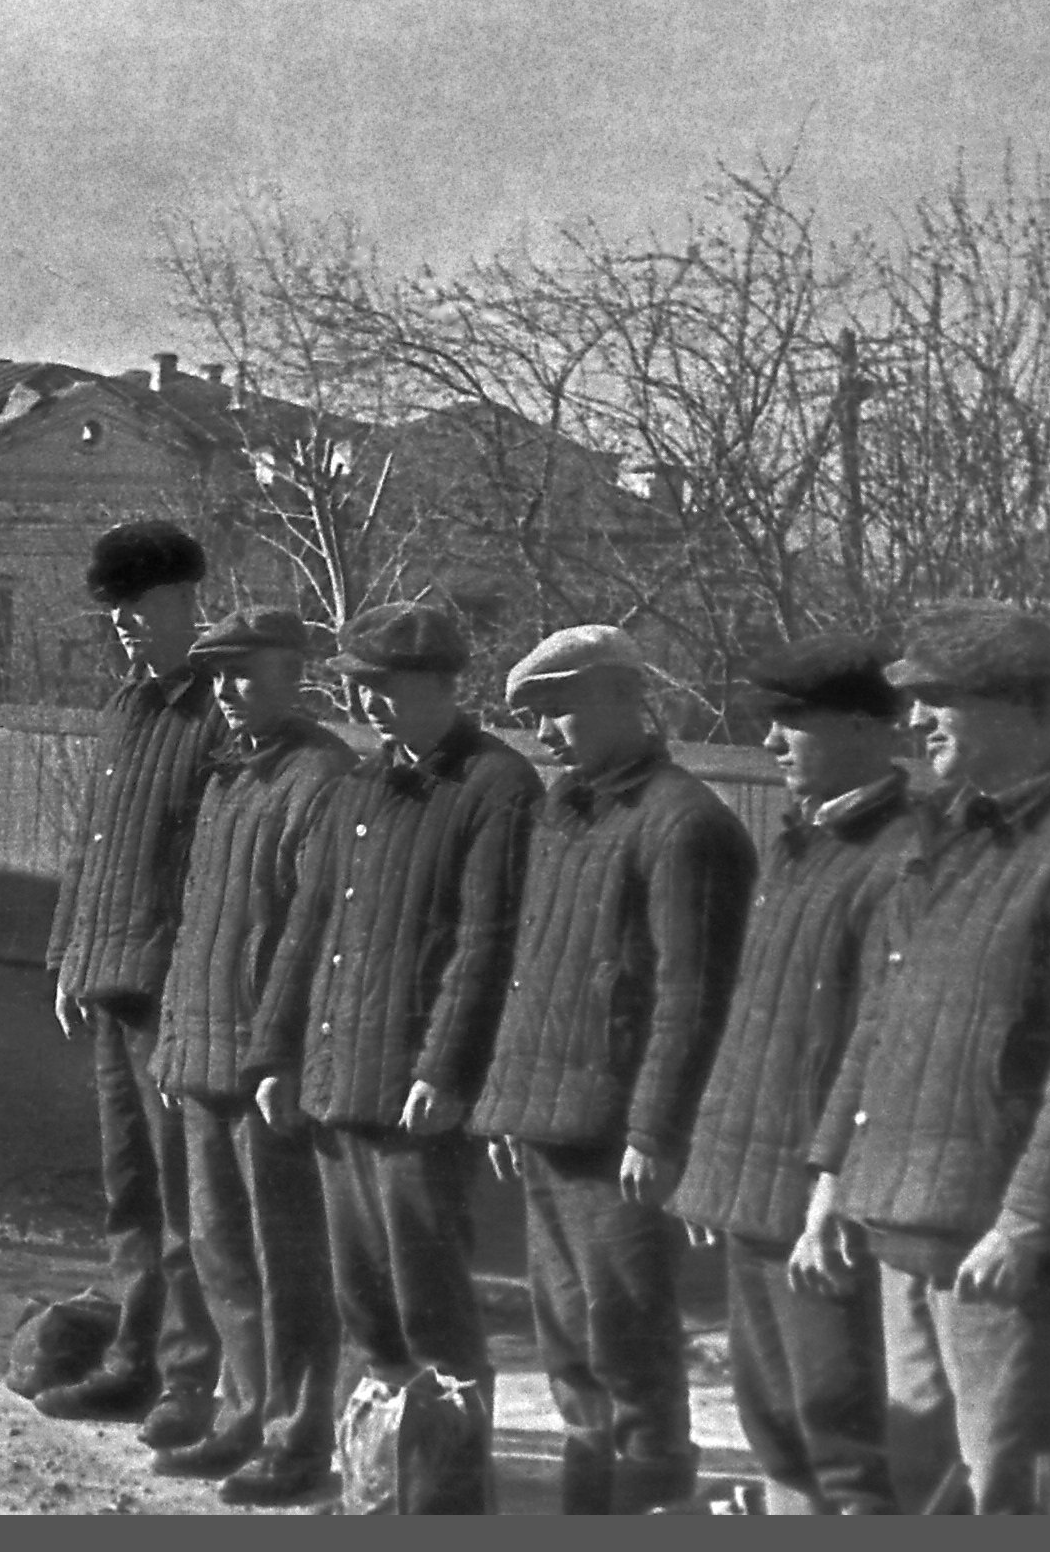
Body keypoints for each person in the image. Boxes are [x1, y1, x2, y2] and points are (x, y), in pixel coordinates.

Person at [807, 605, 1050, 1513]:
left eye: (941, 701)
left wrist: (1029, 1222)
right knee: (922, 1473)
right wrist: (833, 1179)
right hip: (899, 1213)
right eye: (913, 702)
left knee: (1010, 1479)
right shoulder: (942, 832)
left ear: (1023, 709)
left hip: (997, 1237)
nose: (915, 721)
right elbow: (880, 1017)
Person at [247, 601, 539, 1513]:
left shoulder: (496, 786)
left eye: (382, 688)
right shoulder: (358, 789)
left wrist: (446, 1070)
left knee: (432, 1302)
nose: (364, 703)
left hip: (414, 1094)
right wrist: (275, 1053)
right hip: (337, 1079)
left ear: (443, 687)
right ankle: (378, 1485)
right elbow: (307, 931)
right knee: (365, 1298)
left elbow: (486, 941)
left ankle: (445, 1496)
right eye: (354, 687)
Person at [467, 624, 757, 1514]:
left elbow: (691, 997)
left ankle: (652, 1485)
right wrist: (510, 1102)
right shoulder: (567, 810)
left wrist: (657, 1129)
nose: (545, 732)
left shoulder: (686, 824)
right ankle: (589, 1493)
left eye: (559, 710)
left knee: (629, 1332)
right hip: (550, 1119)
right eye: (532, 715)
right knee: (567, 1335)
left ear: (624, 700)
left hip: (618, 1133)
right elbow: (536, 964)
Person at [666, 636, 909, 1514]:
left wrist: (830, 1188)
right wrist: (711, 1176)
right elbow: (751, 1023)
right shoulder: (796, 841)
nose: (769, 742)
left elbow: (877, 1042)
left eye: (791, 723)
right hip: (752, 1182)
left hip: (821, 1198)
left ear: (862, 726)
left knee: (839, 1429)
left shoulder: (902, 855)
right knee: (772, 1419)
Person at [146, 605, 354, 1504]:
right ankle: (241, 1414)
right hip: (201, 1054)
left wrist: (278, 1057)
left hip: (267, 1069)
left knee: (286, 1260)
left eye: (249, 671)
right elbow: (199, 928)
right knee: (222, 1253)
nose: (230, 691)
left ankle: (296, 1435)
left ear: (295, 671)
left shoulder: (323, 778)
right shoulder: (229, 778)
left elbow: (310, 939)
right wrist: (175, 1040)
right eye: (220, 674)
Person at [35, 521, 225, 1450]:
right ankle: (133, 1358)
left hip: (170, 993)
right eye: (116, 616)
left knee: (185, 1194)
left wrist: (188, 984)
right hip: (108, 981)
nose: (124, 630)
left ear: (186, 604)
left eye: (140, 612)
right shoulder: (128, 709)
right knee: (128, 1189)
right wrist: (70, 949)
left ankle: (191, 1380)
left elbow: (210, 873)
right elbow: (95, 844)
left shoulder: (216, 717)